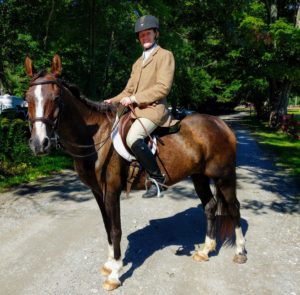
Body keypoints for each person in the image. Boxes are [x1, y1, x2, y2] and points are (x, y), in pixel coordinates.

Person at [105, 15, 177, 198]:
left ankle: (157, 180)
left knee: (133, 137)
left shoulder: (165, 55)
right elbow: (127, 91)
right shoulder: (137, 63)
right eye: (142, 35)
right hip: (135, 110)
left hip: (154, 109)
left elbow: (163, 88)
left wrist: (135, 98)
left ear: (156, 34)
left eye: (148, 34)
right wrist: (111, 101)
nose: (145, 38)